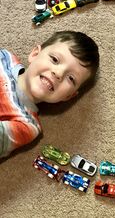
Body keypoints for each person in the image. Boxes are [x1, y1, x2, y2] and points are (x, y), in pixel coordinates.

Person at [0, 31, 99, 159]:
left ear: (68, 96)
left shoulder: (27, 126)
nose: (59, 73)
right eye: (55, 59)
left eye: (71, 78)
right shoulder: (5, 57)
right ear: (35, 54)